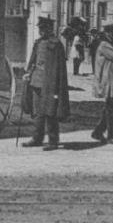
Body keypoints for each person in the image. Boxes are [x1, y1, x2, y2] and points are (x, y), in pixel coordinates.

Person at [21, 16, 70, 151]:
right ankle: (37, 138)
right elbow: (33, 60)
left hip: (50, 83)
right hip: (36, 81)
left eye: (44, 28)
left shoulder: (56, 44)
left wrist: (58, 85)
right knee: (38, 112)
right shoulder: (38, 43)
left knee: (50, 112)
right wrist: (28, 73)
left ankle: (53, 141)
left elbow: (60, 68)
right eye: (40, 28)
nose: (41, 31)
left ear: (50, 29)